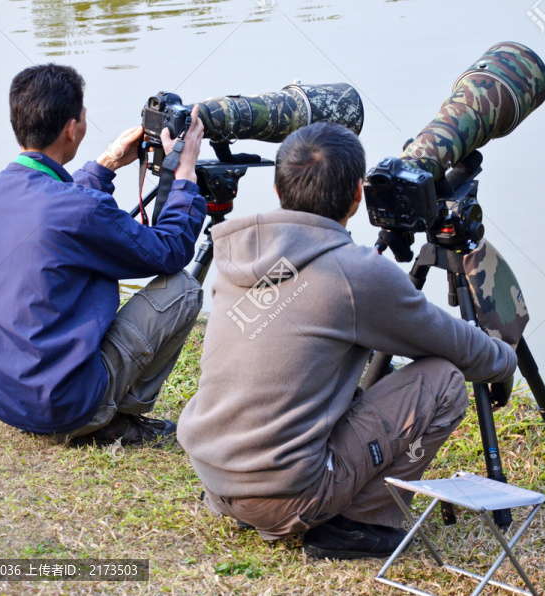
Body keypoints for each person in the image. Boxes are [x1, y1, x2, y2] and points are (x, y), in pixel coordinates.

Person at [177, 122, 517, 559]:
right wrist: (504, 361)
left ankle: (260, 502)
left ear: (279, 188)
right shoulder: (353, 273)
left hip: (215, 476)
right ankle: (359, 523)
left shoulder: (243, 252)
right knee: (445, 381)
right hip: (287, 497)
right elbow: (458, 348)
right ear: (358, 195)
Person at [0, 63, 207, 446]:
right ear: (71, 129)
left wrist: (106, 163)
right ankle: (112, 413)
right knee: (183, 288)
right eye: (84, 115)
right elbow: (170, 251)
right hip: (63, 406)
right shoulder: (80, 209)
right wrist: (186, 174)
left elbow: (50, 208)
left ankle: (85, 408)